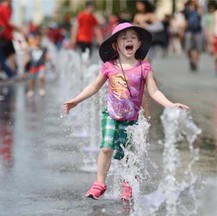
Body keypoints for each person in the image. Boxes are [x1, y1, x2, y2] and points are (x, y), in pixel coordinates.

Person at [64, 22, 189, 201]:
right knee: (106, 148)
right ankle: (100, 182)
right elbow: (94, 86)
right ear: (116, 45)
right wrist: (76, 100)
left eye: (132, 38)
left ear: (139, 44)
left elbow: (154, 91)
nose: (128, 40)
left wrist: (170, 104)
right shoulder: (109, 66)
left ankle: (128, 184)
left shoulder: (144, 67)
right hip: (112, 116)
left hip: (133, 119)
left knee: (128, 154)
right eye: (123, 38)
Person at [0, 0, 22, 80]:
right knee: (11, 54)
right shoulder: (4, 8)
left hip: (5, 35)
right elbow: (9, 22)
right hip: (5, 36)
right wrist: (19, 28)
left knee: (2, 55)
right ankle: (12, 73)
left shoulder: (2, 7)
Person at [25, 31, 50, 97]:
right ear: (34, 40)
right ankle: (31, 90)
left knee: (41, 77)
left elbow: (46, 56)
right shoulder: (30, 49)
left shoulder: (44, 48)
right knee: (32, 79)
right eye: (37, 40)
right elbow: (27, 56)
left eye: (39, 40)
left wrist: (48, 59)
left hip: (41, 65)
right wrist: (25, 62)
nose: (38, 41)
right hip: (33, 66)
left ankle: (41, 89)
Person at [183, 0, 203, 71]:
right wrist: (182, 30)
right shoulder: (187, 9)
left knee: (198, 48)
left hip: (198, 31)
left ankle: (195, 62)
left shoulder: (199, 8)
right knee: (188, 48)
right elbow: (186, 20)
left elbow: (201, 15)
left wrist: (198, 7)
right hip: (189, 30)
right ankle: (192, 60)